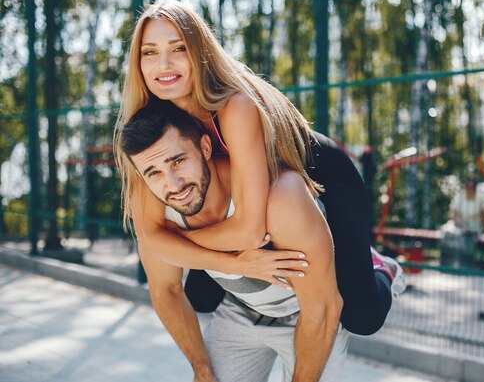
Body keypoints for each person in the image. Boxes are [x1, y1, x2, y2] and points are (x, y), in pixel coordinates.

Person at [113, 0, 404, 336]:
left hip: (321, 174)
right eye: (149, 52)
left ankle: (380, 266)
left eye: (178, 48)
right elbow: (151, 238)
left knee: (361, 318)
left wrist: (176, 239)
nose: (163, 63)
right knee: (200, 297)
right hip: (255, 191)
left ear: (198, 51)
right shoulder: (153, 123)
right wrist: (229, 261)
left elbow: (247, 231)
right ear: (138, 62)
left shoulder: (233, 106)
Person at [120, 100, 347, 382]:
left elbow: (322, 309)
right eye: (154, 173)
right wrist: (200, 369)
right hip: (240, 310)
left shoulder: (278, 194)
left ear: (204, 148)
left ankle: (380, 267)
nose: (174, 184)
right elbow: (167, 291)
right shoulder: (159, 224)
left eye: (178, 161)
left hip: (309, 312)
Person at [446, 177, 484, 267]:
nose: (470, 189)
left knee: (466, 240)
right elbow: (453, 216)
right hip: (459, 228)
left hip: (474, 230)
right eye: (468, 187)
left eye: (472, 187)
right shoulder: (459, 198)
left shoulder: (480, 199)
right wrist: (463, 226)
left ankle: (464, 265)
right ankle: (451, 264)